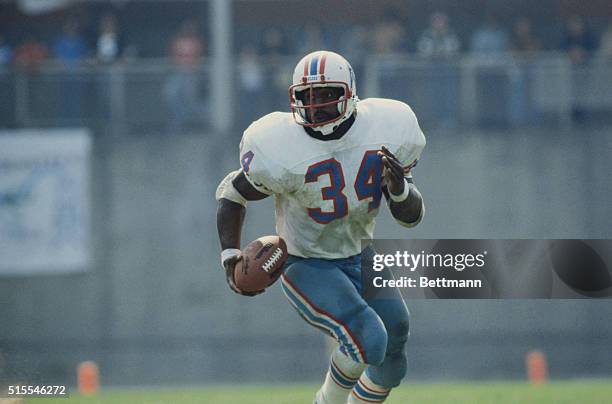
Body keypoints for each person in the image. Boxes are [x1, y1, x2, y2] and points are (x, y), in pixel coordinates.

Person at [216, 51, 426, 404]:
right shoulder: (279, 145)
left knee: (394, 351)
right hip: (306, 261)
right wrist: (230, 256)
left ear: (349, 92)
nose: (315, 106)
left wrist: (399, 187)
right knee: (369, 337)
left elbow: (410, 216)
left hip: (361, 255)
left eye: (327, 94)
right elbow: (231, 192)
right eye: (306, 97)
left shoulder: (388, 127)